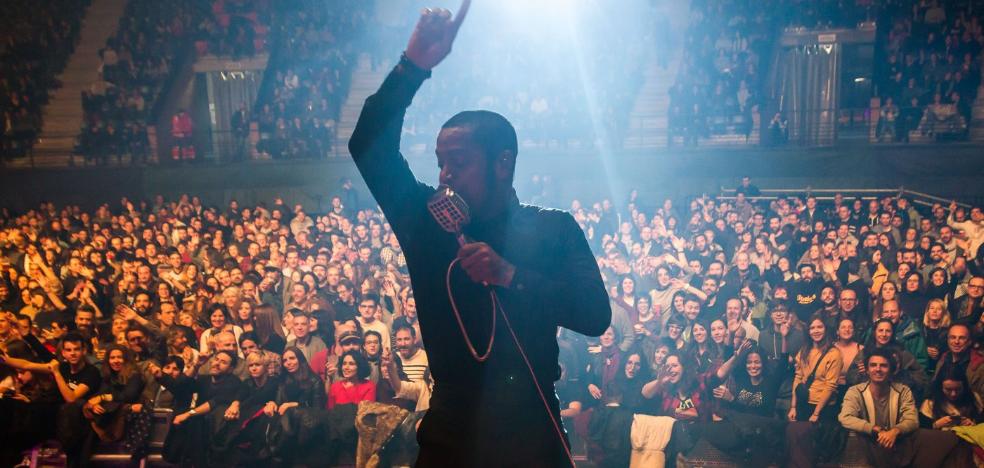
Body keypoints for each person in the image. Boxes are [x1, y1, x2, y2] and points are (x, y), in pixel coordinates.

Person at [347, 2, 611, 466]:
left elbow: (594, 315)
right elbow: (368, 144)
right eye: (440, 162)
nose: (446, 175)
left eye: (460, 163)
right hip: (453, 423)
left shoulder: (553, 229)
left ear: (502, 163)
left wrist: (512, 275)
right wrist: (412, 67)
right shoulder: (428, 223)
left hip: (531, 424)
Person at [839, 348, 967, 467]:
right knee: (853, 434)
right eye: (873, 365)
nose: (878, 369)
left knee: (949, 439)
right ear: (867, 370)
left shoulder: (903, 391)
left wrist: (894, 431)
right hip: (871, 442)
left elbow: (912, 420)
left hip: (899, 441)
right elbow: (845, 417)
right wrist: (873, 429)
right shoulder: (855, 391)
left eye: (883, 365)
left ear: (891, 370)